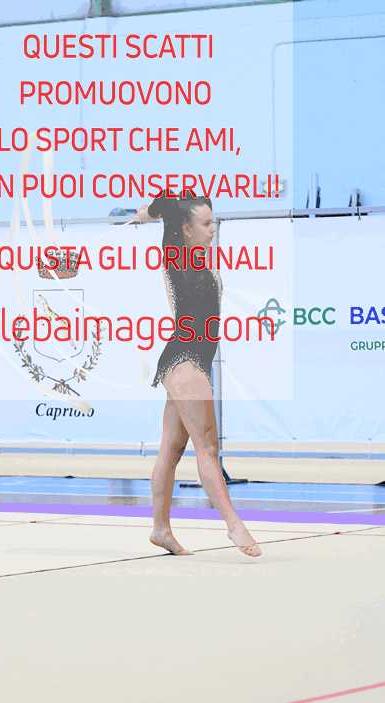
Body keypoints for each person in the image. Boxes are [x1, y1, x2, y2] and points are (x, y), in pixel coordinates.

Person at [132, 192, 262, 558]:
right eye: (205, 223)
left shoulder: (202, 259)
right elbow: (166, 203)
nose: (212, 228)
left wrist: (154, 214)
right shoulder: (176, 255)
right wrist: (148, 213)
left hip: (192, 362)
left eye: (213, 221)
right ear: (185, 229)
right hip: (185, 358)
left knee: (171, 450)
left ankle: (160, 529)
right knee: (207, 447)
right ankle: (234, 524)